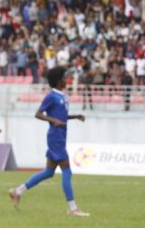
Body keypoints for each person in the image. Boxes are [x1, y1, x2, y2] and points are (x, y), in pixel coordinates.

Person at [9, 66, 89, 216]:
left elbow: (61, 116)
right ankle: (72, 208)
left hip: (60, 136)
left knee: (48, 172)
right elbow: (38, 114)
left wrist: (75, 116)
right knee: (67, 170)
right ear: (59, 81)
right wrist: (54, 121)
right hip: (55, 137)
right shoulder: (51, 96)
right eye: (65, 77)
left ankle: (17, 191)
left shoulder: (62, 95)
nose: (67, 80)